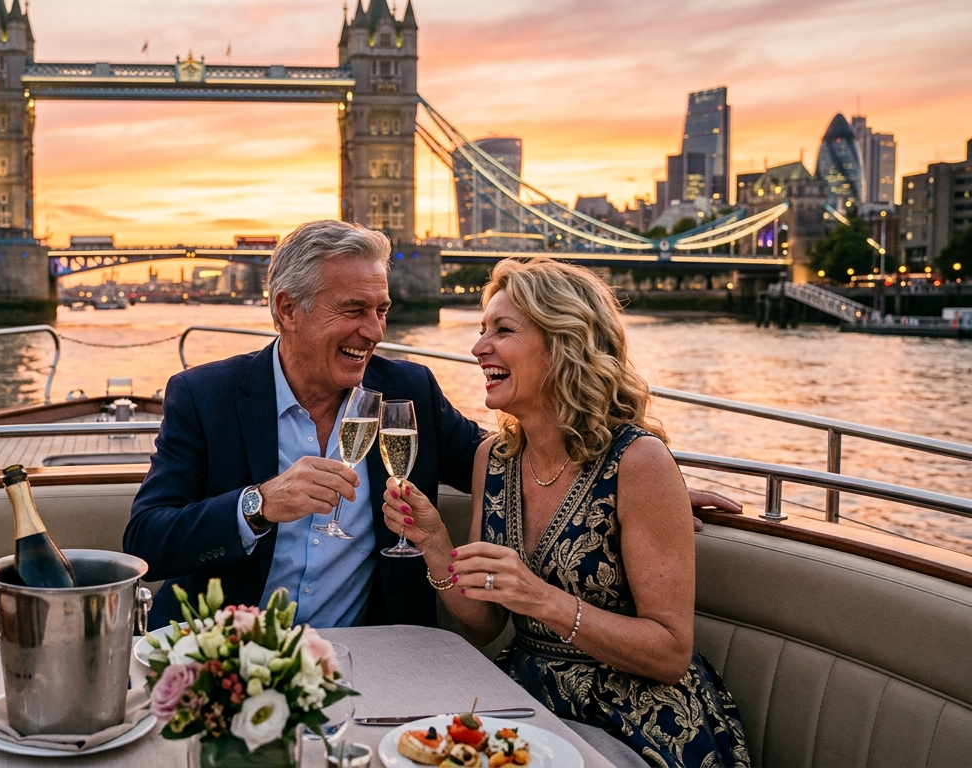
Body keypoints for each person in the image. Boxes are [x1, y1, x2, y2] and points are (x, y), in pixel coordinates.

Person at [382, 258, 749, 767]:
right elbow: (485, 626)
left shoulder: (638, 462)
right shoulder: (496, 459)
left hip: (638, 719)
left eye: (503, 330)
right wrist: (434, 543)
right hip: (528, 704)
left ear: (564, 344)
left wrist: (540, 599)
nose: (478, 347)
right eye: (482, 329)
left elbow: (669, 653)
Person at [124, 220, 483, 629]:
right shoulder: (205, 396)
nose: (375, 331)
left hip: (366, 660)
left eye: (381, 310)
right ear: (288, 310)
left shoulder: (410, 390)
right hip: (224, 658)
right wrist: (258, 505)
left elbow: (498, 464)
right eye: (354, 310)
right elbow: (147, 541)